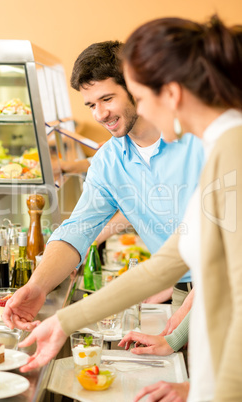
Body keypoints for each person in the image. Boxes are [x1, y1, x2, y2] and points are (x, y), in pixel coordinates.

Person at [13, 15, 242, 402]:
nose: (100, 114)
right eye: (91, 104)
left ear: (170, 92)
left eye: (130, 94)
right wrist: (61, 318)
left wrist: (211, 388)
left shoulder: (225, 148)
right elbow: (165, 264)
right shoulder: (222, 145)